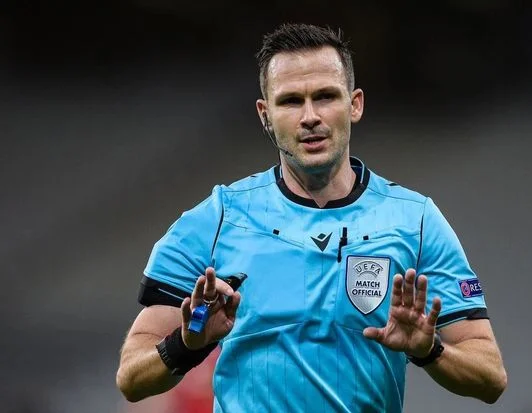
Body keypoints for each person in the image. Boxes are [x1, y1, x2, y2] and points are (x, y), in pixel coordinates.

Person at [116, 22, 507, 412]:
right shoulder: (216, 220)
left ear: (354, 104)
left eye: (325, 96)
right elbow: (131, 378)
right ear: (265, 115)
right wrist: (187, 345)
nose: (310, 116)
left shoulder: (415, 221)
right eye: (290, 101)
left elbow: (490, 378)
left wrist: (429, 350)